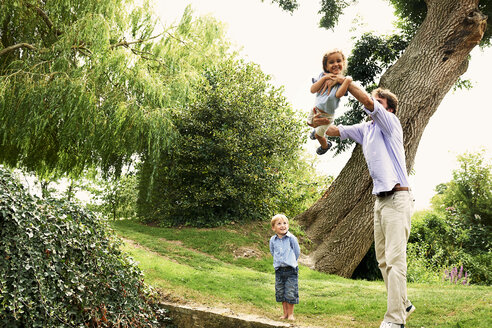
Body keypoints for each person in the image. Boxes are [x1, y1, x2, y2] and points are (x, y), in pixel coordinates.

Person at [311, 81, 415, 328]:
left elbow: (367, 102)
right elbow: (338, 130)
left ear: (387, 109)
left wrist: (345, 83)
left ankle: (395, 320)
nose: (372, 104)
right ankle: (405, 303)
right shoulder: (366, 129)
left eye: (378, 102)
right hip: (380, 201)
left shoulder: (390, 124)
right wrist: (320, 124)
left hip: (398, 199)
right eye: (375, 101)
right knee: (382, 260)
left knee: (395, 260)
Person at [307, 49, 352, 155]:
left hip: (327, 115)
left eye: (338, 61)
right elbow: (313, 90)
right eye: (331, 62)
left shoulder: (343, 81)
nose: (335, 64)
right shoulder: (322, 76)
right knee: (309, 123)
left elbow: (339, 94)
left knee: (318, 136)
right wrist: (324, 78)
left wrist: (347, 80)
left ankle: (325, 146)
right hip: (316, 109)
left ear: (343, 63)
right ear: (326, 67)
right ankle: (317, 129)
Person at [269, 214, 300, 321]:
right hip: (279, 270)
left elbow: (297, 252)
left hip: (291, 270)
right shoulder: (273, 240)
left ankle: (291, 314)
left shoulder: (291, 238)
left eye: (285, 223)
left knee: (290, 292)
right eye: (279, 224)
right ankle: (285, 314)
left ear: (288, 225)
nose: (283, 226)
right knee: (281, 292)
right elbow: (273, 252)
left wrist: (290, 261)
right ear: (273, 228)